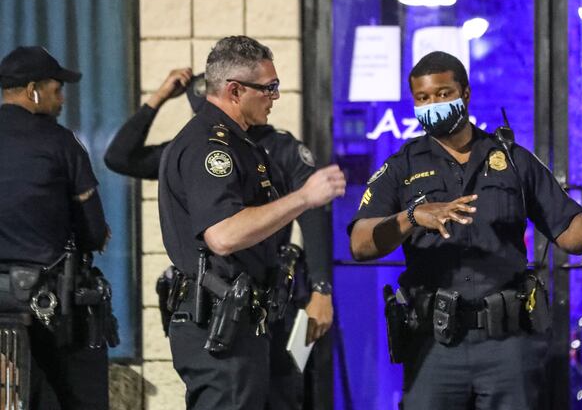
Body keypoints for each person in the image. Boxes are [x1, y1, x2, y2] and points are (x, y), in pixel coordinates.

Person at [348, 51, 582, 409]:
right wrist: (412, 216)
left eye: (442, 94)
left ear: (465, 94)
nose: (432, 104)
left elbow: (570, 236)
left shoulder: (513, 160)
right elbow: (360, 244)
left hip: (507, 343)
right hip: (433, 344)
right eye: (422, 98)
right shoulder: (401, 166)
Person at [104, 67, 334, 409]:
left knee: (284, 395)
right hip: (220, 305)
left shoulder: (278, 147)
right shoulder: (195, 148)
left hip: (276, 301)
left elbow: (313, 214)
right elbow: (120, 157)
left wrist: (321, 290)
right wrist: (157, 98)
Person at [157, 36, 345, 410]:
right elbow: (224, 235)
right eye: (269, 88)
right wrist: (304, 197)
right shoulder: (210, 147)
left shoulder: (242, 143)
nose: (275, 96)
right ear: (235, 90)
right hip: (220, 326)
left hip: (248, 322)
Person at [0, 46, 112, 410]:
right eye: (56, 89)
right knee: (81, 394)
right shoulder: (59, 142)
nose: (61, 99)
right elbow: (93, 231)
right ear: (33, 90)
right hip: (46, 303)